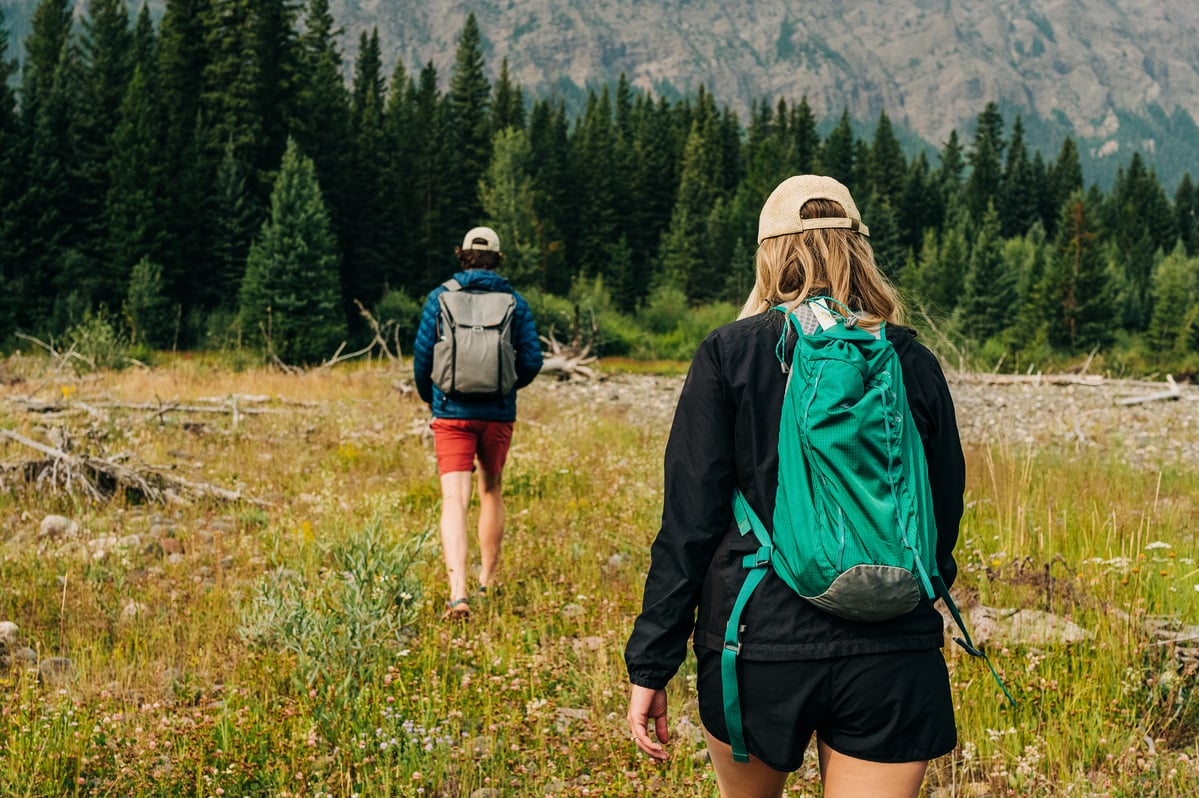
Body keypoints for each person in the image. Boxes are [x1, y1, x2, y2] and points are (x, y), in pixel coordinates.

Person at [623, 176, 965, 798]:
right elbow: (941, 516)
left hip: (758, 644)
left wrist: (652, 662)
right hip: (891, 652)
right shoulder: (910, 360)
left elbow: (689, 526)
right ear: (859, 251)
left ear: (769, 255)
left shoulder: (731, 353)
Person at [413, 226, 543, 621]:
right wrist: (505, 385)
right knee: (491, 490)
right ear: (498, 258)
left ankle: (458, 594)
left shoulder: (440, 298)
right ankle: (486, 579)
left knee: (454, 499)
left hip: (451, 412)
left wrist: (434, 398)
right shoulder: (514, 303)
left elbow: (423, 360)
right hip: (498, 413)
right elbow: (532, 360)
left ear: (463, 255)